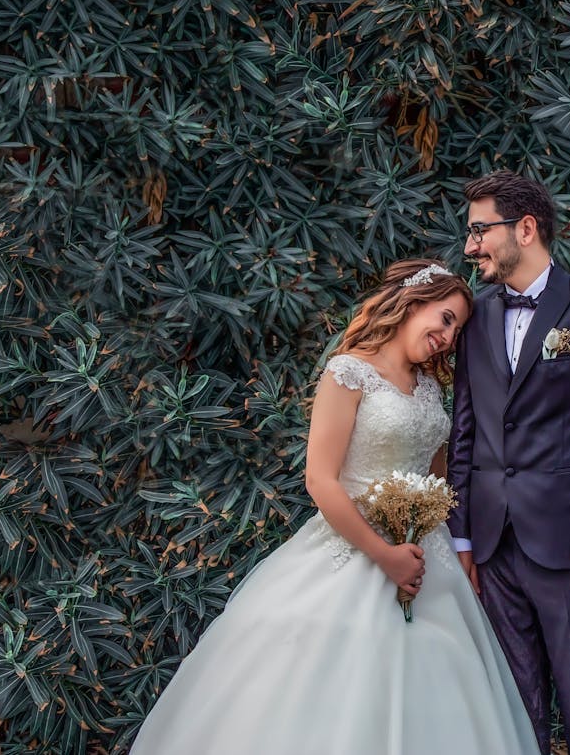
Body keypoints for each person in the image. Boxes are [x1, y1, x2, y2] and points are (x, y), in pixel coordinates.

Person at [130, 258, 537, 755]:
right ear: (411, 303)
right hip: (352, 548)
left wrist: (437, 538)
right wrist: (384, 555)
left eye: (457, 330)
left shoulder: (432, 389)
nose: (449, 338)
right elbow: (320, 480)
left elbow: (438, 479)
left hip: (426, 556)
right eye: (446, 319)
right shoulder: (349, 373)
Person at [447, 171, 570, 755]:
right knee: (512, 713)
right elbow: (466, 434)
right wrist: (462, 542)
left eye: (480, 230)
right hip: (492, 550)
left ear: (525, 228)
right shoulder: (476, 318)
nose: (470, 247)